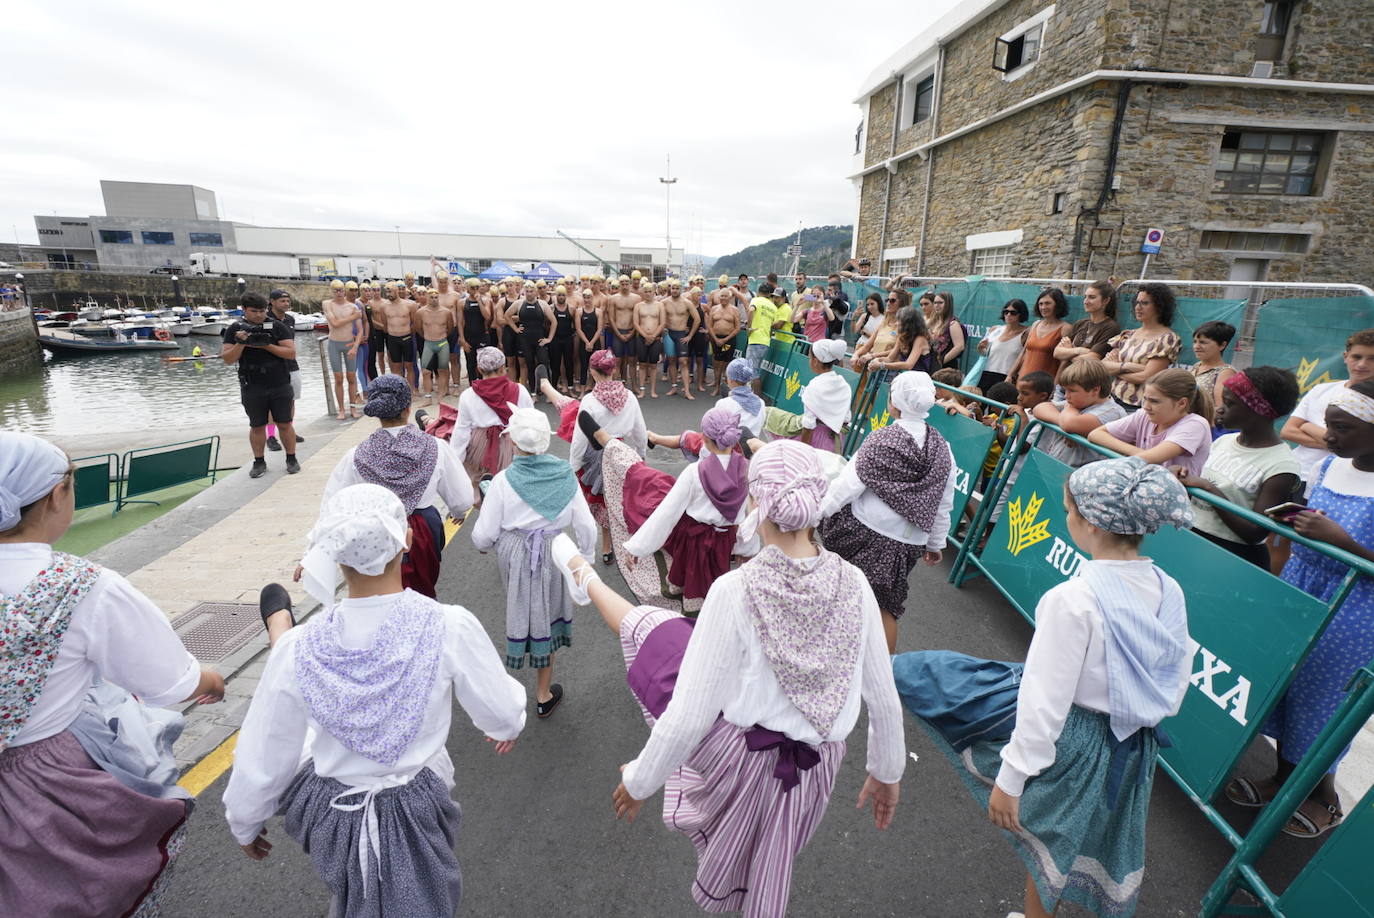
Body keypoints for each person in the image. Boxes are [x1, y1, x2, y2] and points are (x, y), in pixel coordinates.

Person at [548, 439, 904, 917]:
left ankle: (583, 575)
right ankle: (581, 574)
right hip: (817, 769)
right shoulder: (855, 582)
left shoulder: (736, 589)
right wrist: (886, 771)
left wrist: (639, 780)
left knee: (651, 629)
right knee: (771, 856)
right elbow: (882, 698)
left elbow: (690, 715)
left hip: (742, 762)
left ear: (756, 502)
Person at [899, 456, 1194, 918]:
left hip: (1075, 739)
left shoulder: (1072, 600)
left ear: (1093, 524)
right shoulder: (1168, 588)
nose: (1068, 519)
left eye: (1069, 511)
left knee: (1054, 839)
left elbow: (1045, 700)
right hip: (1133, 743)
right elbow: (1175, 678)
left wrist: (1011, 778)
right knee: (1082, 837)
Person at [222, 484, 526, 917]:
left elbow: (265, 747)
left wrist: (245, 821)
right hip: (419, 800)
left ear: (334, 553)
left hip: (332, 813)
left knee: (352, 892)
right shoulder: (447, 626)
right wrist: (505, 727)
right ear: (406, 539)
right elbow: (500, 709)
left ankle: (279, 623)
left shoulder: (299, 649)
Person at [0, 432, 225, 918]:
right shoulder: (81, 587)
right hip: (46, 785)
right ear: (58, 495)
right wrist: (211, 680)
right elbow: (171, 683)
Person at [1223, 380, 1374, 838]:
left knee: (1327, 704)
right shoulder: (1330, 466)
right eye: (1329, 425)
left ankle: (1325, 798)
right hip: (1302, 589)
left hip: (1355, 612)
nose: (1328, 437)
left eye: (1342, 428)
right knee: (1288, 689)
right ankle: (1284, 779)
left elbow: (1344, 541)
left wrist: (1342, 543)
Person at [471, 404, 597, 717]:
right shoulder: (565, 474)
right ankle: (542, 693)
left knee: (522, 606)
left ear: (512, 442)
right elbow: (586, 526)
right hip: (555, 551)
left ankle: (513, 682)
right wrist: (586, 558)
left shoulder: (502, 481)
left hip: (516, 553)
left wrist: (489, 545)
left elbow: (483, 535)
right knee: (550, 614)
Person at [819, 372, 956, 652]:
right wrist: (935, 543)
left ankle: (832, 651)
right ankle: (885, 670)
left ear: (893, 404)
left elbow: (848, 485)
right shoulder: (944, 449)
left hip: (868, 533)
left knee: (842, 589)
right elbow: (944, 502)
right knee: (885, 606)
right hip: (910, 542)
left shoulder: (881, 440)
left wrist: (814, 515)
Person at [319, 374, 473, 597]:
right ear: (408, 408)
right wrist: (458, 512)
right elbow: (462, 499)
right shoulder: (436, 447)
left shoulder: (356, 455)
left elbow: (332, 505)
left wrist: (317, 553)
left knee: (377, 593)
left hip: (374, 531)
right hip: (422, 531)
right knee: (422, 593)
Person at [616, 408, 751, 604]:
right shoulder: (748, 469)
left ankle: (687, 602)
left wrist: (637, 547)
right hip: (725, 540)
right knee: (717, 583)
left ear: (704, 438)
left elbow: (666, 513)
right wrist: (747, 548)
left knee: (690, 576)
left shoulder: (695, 471)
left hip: (695, 539)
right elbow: (749, 512)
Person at [1176, 367, 1300, 568]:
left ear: (1258, 409)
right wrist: (1182, 478)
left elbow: (1254, 533)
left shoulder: (1281, 466)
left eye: (1230, 403)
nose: (1220, 408)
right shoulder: (1224, 442)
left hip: (1232, 558)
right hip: (1195, 540)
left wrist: (1208, 488)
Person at [569, 349, 647, 563]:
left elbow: (580, 437)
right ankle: (624, 542)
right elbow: (640, 430)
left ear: (593, 372)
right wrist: (640, 456)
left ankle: (606, 547)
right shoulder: (629, 397)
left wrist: (574, 464)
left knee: (604, 499)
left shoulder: (589, 401)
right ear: (614, 369)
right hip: (622, 452)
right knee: (620, 499)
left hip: (597, 454)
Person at [1281, 328, 1374, 494]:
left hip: (1338, 483)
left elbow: (1358, 447)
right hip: (1293, 472)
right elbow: (1288, 431)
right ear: (1345, 357)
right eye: (1356, 357)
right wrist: (1339, 444)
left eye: (1372, 359)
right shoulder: (1321, 389)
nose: (1361, 364)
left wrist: (1308, 426)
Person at [223, 292, 301, 478]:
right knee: (257, 425)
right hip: (252, 383)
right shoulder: (235, 328)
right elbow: (227, 358)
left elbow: (290, 353)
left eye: (262, 311)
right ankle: (259, 461)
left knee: (285, 423)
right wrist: (241, 343)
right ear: (244, 310)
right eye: (254, 311)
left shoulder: (276, 326)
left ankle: (291, 458)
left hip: (279, 381)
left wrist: (267, 345)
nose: (259, 315)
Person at [1089, 368, 1214, 476]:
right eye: (1145, 399)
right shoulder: (1144, 414)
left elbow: (1149, 458)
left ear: (1181, 403)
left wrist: (1140, 455)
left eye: (1154, 401)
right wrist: (1138, 453)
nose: (1146, 406)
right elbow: (1095, 434)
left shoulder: (1196, 425)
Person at [450, 346, 533, 498]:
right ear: (503, 368)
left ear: (479, 369)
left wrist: (455, 463)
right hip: (512, 445)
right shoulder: (520, 390)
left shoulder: (468, 395)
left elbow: (461, 431)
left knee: (480, 482)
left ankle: (486, 505)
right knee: (511, 488)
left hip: (480, 449)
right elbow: (531, 424)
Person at [1030, 358, 1127, 467]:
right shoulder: (1075, 405)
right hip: (1054, 467)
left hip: (1077, 475)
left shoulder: (1112, 412)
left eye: (1072, 390)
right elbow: (1039, 408)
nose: (1066, 395)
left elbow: (1069, 423)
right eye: (1065, 390)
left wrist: (1068, 422)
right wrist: (1063, 424)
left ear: (1095, 390)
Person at [1101, 283, 1183, 411]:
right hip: (1110, 398)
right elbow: (1103, 366)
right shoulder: (1128, 334)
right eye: (1137, 303)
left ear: (1159, 306)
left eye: (1145, 303)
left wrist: (1117, 371)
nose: (1138, 307)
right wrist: (1127, 367)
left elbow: (1146, 377)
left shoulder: (1167, 338)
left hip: (1137, 406)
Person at [762, 338, 853, 453]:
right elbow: (846, 418)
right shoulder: (844, 385)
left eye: (810, 358)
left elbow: (809, 425)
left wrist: (804, 453)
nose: (809, 361)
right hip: (836, 443)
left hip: (817, 441)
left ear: (816, 361)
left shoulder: (815, 386)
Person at [265, 288, 308, 449]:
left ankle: (288, 429)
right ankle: (270, 435)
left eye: (288, 301)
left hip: (291, 365)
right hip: (273, 367)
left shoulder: (290, 319)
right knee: (271, 403)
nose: (286, 303)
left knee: (292, 399)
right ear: (272, 302)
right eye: (282, 301)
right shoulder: (266, 319)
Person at [1053, 279, 1121, 368]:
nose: (1086, 301)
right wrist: (1079, 350)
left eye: (1092, 297)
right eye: (1085, 297)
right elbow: (1057, 352)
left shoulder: (1111, 327)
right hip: (1065, 376)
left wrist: (1068, 352)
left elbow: (1091, 359)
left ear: (1105, 301)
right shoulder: (1080, 323)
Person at [1009, 288, 1072, 383]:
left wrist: (1055, 386)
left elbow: (1064, 362)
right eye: (1040, 304)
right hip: (1023, 381)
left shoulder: (1065, 328)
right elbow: (1023, 353)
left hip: (1045, 385)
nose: (1043, 307)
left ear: (1058, 304)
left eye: (1047, 303)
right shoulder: (1035, 325)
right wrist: (1010, 375)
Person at [322, 281, 365, 419]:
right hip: (334, 344)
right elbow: (334, 324)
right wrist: (354, 316)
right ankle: (341, 409)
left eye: (341, 290)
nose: (339, 293)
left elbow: (360, 331)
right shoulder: (327, 304)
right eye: (336, 290)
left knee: (351, 377)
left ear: (344, 291)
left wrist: (355, 347)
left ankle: (352, 408)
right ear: (332, 291)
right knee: (338, 378)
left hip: (349, 345)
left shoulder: (352, 306)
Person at [504, 283, 555, 398]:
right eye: (527, 291)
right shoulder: (519, 303)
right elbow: (506, 316)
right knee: (530, 365)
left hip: (539, 340)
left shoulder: (542, 304)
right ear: (524, 292)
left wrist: (549, 338)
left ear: (536, 292)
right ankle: (533, 393)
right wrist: (516, 329)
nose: (529, 293)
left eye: (531, 291)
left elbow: (554, 321)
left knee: (544, 363)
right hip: (525, 340)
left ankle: (548, 392)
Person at [1186, 321, 1237, 418]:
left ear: (1222, 345)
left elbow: (1221, 411)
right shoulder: (1197, 366)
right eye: (1195, 341)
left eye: (1203, 342)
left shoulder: (1225, 373)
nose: (1196, 346)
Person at [416, 286, 456, 407]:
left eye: (436, 297)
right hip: (428, 343)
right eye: (431, 297)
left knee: (442, 370)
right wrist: (429, 337)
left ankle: (440, 396)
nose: (434, 299)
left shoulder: (446, 312)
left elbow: (450, 328)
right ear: (427, 298)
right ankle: (428, 397)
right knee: (426, 371)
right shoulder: (421, 312)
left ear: (438, 298)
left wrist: (441, 336)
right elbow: (418, 329)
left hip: (443, 343)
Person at [978, 298, 1028, 391]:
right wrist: (981, 348)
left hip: (1007, 376)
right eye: (1006, 312)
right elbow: (984, 354)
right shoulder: (995, 329)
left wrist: (1011, 376)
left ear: (1021, 314)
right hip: (986, 373)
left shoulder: (1026, 333)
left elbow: (1024, 357)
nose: (1009, 315)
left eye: (1013, 312)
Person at [744, 285, 788, 391]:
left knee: (752, 372)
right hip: (765, 341)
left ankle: (755, 399)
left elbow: (750, 311)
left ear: (759, 292)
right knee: (755, 371)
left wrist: (749, 328)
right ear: (769, 294)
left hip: (755, 339)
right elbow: (770, 323)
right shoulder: (773, 307)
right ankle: (755, 398)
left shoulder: (756, 300)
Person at [715, 357, 766, 438]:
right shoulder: (761, 403)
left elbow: (715, 430)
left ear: (731, 380)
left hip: (730, 447)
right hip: (753, 447)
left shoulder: (723, 404)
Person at [379, 281, 418, 385]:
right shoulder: (383, 307)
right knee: (396, 367)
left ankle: (410, 390)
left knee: (409, 365)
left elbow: (415, 323)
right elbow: (385, 325)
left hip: (407, 338)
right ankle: (400, 390)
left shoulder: (410, 305)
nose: (388, 294)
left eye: (390, 291)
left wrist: (407, 333)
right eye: (387, 292)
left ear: (396, 291)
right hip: (393, 339)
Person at [633, 286, 668, 398]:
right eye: (646, 292)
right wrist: (645, 336)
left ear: (654, 292)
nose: (648, 294)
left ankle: (653, 390)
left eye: (650, 291)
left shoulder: (659, 305)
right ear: (643, 293)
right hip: (642, 338)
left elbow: (662, 323)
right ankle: (642, 389)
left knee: (653, 365)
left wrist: (653, 336)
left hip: (655, 338)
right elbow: (636, 323)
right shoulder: (638, 306)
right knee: (642, 365)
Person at [457, 277, 490, 393]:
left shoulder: (485, 300)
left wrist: (479, 301)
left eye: (477, 287)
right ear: (468, 289)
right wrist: (462, 339)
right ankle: (472, 387)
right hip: (468, 336)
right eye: (473, 288)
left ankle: (482, 385)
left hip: (481, 336)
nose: (475, 290)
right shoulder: (462, 302)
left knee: (481, 362)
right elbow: (460, 322)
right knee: (470, 363)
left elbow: (487, 317)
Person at [707, 286, 742, 393]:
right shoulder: (714, 309)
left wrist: (725, 339)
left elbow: (737, 328)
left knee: (726, 364)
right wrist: (715, 338)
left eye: (726, 296)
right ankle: (717, 386)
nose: (723, 298)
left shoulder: (734, 310)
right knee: (717, 364)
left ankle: (726, 387)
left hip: (728, 340)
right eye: (721, 296)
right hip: (716, 339)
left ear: (730, 298)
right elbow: (710, 325)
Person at [606, 275, 641, 383]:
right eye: (622, 284)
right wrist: (618, 334)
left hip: (631, 331)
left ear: (629, 284)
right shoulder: (613, 299)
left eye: (627, 283)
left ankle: (634, 386)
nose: (625, 286)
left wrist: (633, 332)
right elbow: (611, 318)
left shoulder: (636, 298)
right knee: (617, 360)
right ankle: (614, 386)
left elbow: (638, 317)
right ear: (619, 284)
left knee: (632, 361)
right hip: (618, 332)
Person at [547, 285, 578, 395]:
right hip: (555, 340)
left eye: (563, 295)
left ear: (566, 296)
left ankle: (570, 388)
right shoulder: (551, 308)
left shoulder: (571, 309)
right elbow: (546, 324)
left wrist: (573, 336)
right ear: (556, 296)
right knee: (555, 365)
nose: (561, 297)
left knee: (569, 364)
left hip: (567, 339)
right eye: (559, 295)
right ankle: (553, 391)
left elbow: (575, 325)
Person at [927, 289, 966, 370]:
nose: (937, 305)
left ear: (948, 304)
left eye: (940, 303)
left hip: (947, 368)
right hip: (931, 365)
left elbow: (959, 346)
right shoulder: (932, 322)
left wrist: (941, 362)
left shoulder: (953, 324)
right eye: (935, 303)